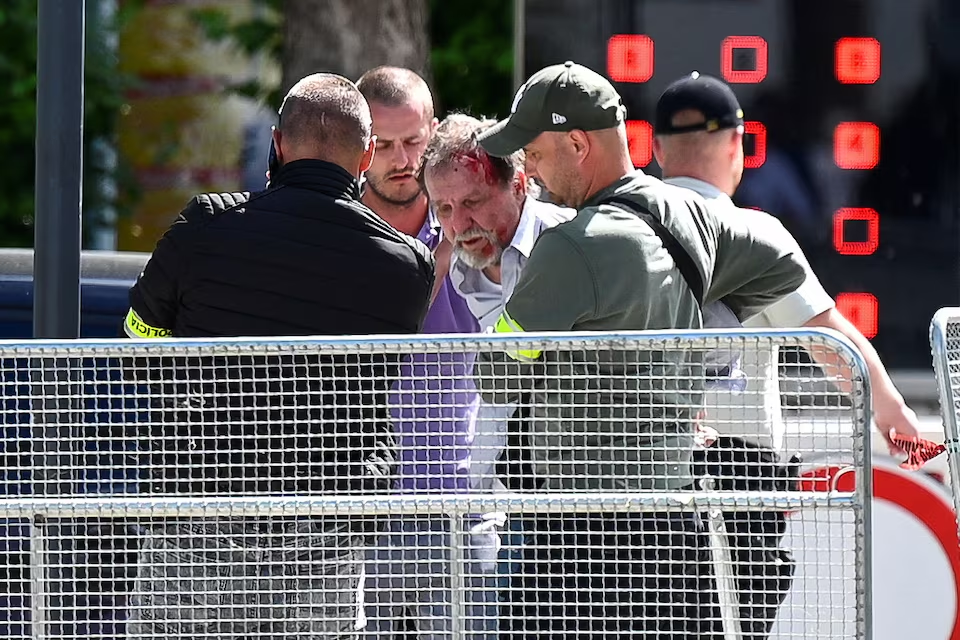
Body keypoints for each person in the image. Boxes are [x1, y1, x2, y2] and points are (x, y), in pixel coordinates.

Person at [475, 61, 813, 639]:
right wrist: (710, 321)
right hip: (674, 527)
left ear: (578, 143)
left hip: (575, 541)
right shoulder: (688, 213)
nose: (526, 169)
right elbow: (783, 264)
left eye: (532, 150)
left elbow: (497, 378)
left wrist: (527, 345)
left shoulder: (569, 247)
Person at [121, 72, 435, 640]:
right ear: (366, 155)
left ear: (279, 144)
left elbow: (138, 333)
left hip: (200, 513)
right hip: (325, 529)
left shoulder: (204, 227)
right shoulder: (405, 266)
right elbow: (378, 380)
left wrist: (179, 382)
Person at [652, 71, 923, 639]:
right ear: (738, 145)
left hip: (631, 471)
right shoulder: (751, 232)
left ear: (655, 150)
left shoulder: (618, 228)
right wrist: (891, 412)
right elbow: (833, 344)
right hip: (738, 476)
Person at [355, 66, 503, 640]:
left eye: (414, 142)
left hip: (460, 501)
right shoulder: (344, 233)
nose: (400, 160)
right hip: (360, 507)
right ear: (362, 147)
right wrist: (435, 262)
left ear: (435, 134)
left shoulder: (473, 222)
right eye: (383, 145)